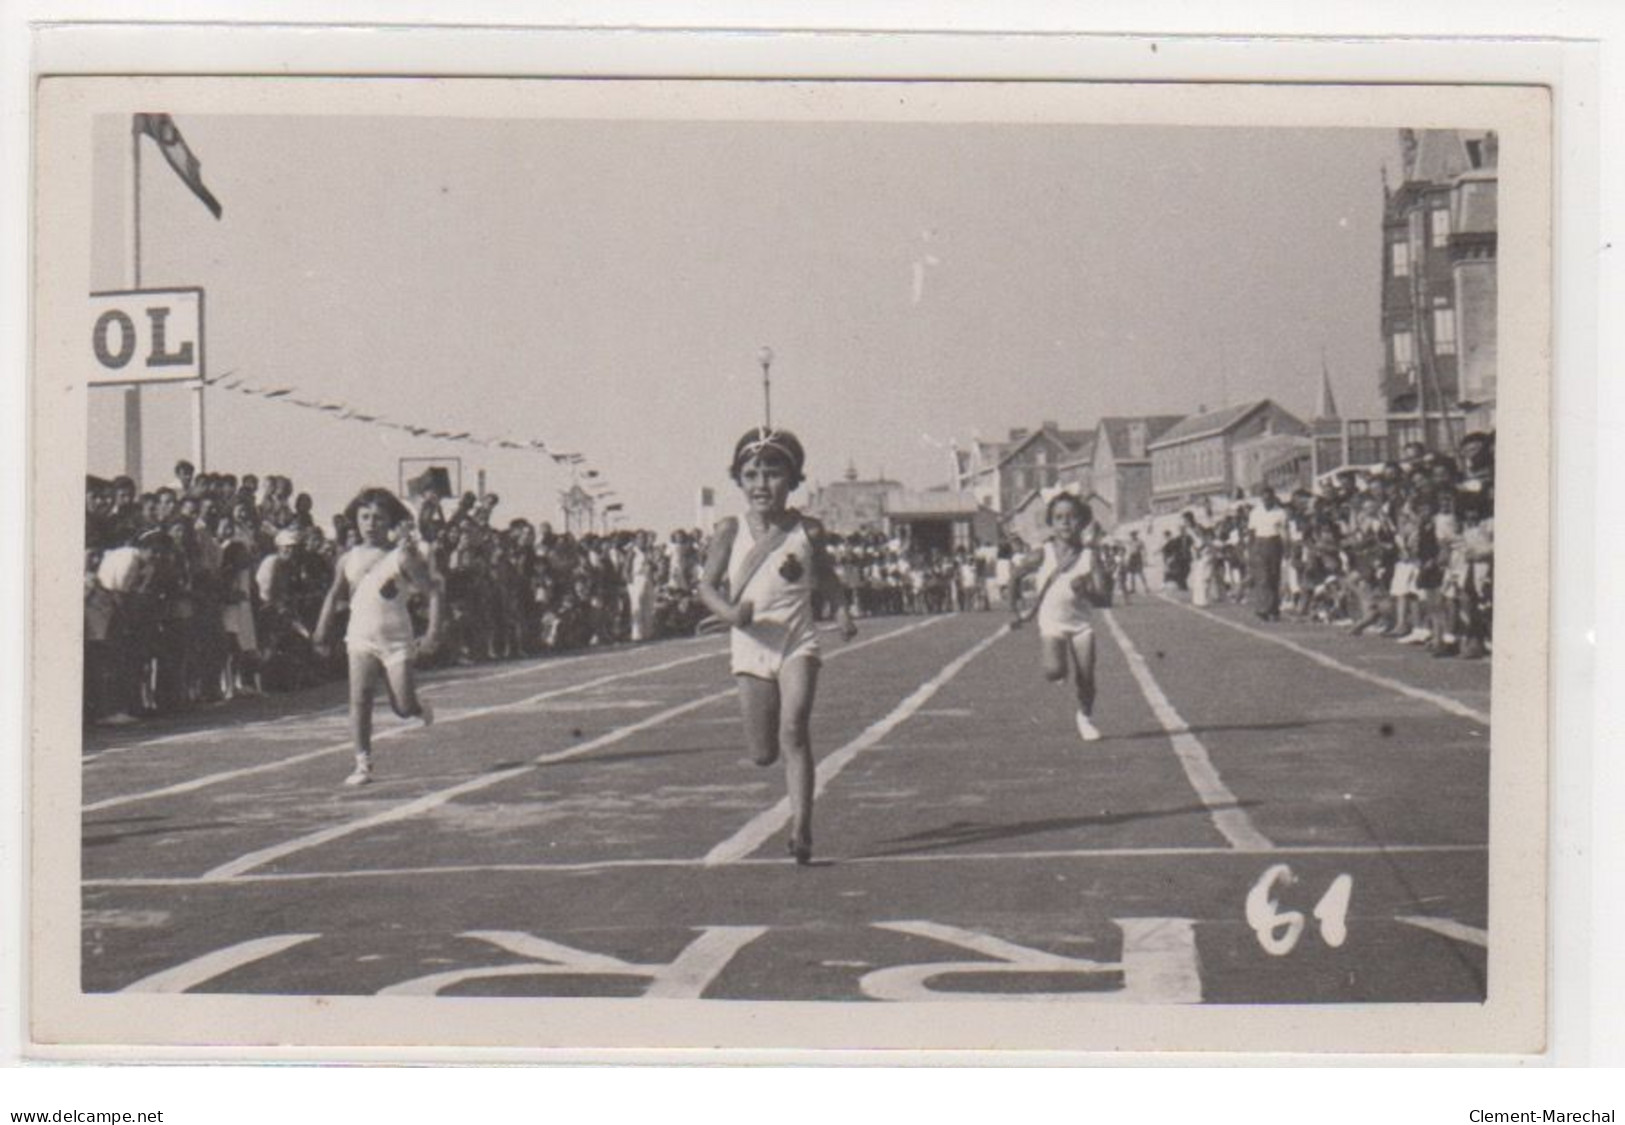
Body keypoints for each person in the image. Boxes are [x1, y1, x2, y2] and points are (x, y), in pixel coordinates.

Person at [697, 427, 856, 866]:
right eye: (751, 474)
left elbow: (825, 577)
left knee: (795, 727)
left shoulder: (808, 530)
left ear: (793, 479)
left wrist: (840, 610)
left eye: (772, 473)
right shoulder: (730, 530)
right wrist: (730, 615)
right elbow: (707, 587)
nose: (761, 484)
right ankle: (791, 800)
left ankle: (801, 827)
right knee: (763, 753)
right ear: (739, 481)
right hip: (750, 648)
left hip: (796, 642)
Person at [314, 487, 443, 787]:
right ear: (355, 521)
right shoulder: (348, 558)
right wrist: (322, 627)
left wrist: (433, 631)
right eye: (365, 517)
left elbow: (433, 592)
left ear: (391, 521)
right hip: (360, 638)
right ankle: (362, 762)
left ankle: (417, 706)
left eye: (379, 518)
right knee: (359, 699)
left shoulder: (402, 556)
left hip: (397, 639)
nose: (371, 524)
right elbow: (334, 594)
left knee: (403, 706)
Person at [1007, 490, 1104, 744]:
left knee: (1087, 674)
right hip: (1052, 623)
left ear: (1081, 521)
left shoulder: (1089, 555)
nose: (1065, 523)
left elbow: (1104, 598)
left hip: (1081, 623)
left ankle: (1085, 717)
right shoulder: (1043, 553)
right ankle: (1059, 667)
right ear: (1051, 522)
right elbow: (1016, 575)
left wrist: (1087, 589)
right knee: (1053, 671)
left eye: (1071, 517)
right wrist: (1014, 610)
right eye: (1059, 517)